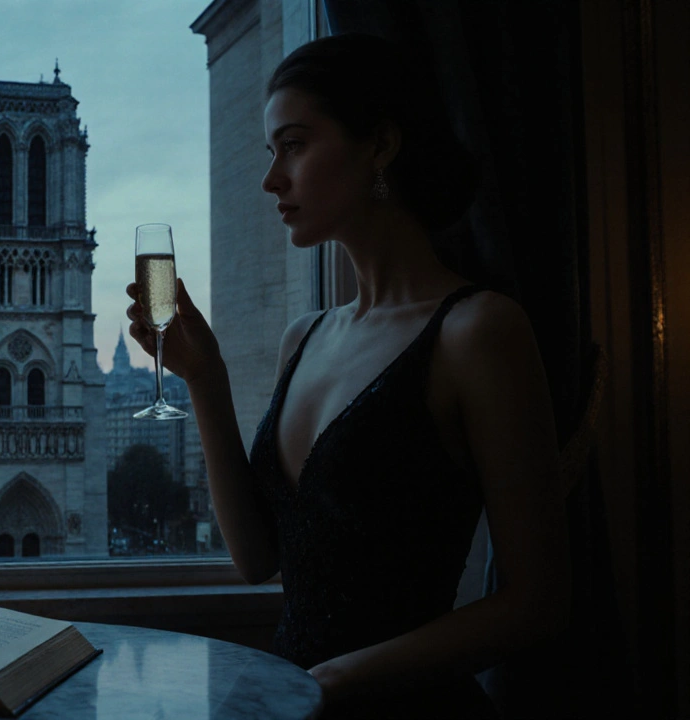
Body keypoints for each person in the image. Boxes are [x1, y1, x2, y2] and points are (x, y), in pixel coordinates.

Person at [126, 34, 569, 718]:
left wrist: (331, 681)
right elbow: (255, 559)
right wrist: (204, 379)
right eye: (272, 151)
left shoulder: (477, 331)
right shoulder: (304, 337)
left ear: (380, 146)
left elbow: (537, 603)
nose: (272, 178)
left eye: (294, 145)